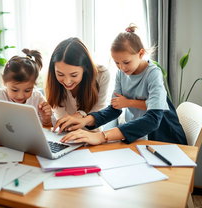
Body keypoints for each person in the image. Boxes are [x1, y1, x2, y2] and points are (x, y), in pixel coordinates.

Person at [53, 24, 187, 145]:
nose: (121, 67)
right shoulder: (122, 73)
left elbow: (153, 119)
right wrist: (85, 120)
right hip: (141, 138)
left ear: (140, 53)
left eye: (126, 62)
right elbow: (114, 109)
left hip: (165, 139)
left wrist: (102, 136)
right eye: (117, 63)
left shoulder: (153, 74)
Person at [0, 48, 54, 132]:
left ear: (34, 85)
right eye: (14, 90)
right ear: (4, 82)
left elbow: (50, 125)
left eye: (27, 90)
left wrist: (46, 118)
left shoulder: (37, 97)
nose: (20, 96)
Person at [45, 37, 110, 123]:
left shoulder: (102, 75)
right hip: (66, 132)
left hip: (92, 133)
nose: (67, 81)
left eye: (74, 75)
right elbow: (61, 118)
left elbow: (99, 112)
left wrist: (80, 115)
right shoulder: (53, 81)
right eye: (60, 74)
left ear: (85, 68)